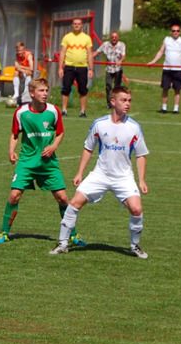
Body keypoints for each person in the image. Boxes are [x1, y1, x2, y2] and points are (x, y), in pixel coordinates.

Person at [50, 86, 149, 258]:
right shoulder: (99, 124)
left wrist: (141, 180)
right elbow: (88, 148)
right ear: (113, 101)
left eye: (129, 101)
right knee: (74, 203)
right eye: (123, 100)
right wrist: (80, 172)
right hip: (100, 175)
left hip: (123, 177)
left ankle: (135, 246)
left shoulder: (134, 127)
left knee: (136, 209)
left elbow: (141, 154)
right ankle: (62, 243)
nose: (127, 104)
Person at [0, 78, 85, 246]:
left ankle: (73, 234)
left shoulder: (53, 111)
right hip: (27, 162)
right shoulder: (21, 113)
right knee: (14, 196)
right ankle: (4, 232)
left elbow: (60, 133)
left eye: (46, 90)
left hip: (48, 163)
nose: (45, 94)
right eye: (41, 91)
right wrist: (11, 151)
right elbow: (15, 134)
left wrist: (53, 146)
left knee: (63, 198)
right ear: (32, 93)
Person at [148, 24, 181, 114]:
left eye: (177, 31)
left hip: (178, 69)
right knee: (165, 88)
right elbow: (161, 51)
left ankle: (176, 109)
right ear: (171, 32)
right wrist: (153, 61)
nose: (175, 32)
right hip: (167, 68)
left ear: (180, 32)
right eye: (173, 31)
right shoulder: (167, 40)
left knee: (177, 89)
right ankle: (164, 108)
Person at [58, 18, 94, 117]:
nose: (77, 25)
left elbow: (90, 54)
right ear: (72, 25)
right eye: (75, 24)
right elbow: (62, 52)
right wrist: (60, 68)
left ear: (82, 25)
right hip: (69, 66)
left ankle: (82, 111)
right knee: (66, 88)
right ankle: (64, 110)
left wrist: (91, 69)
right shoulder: (67, 37)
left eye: (78, 24)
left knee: (83, 89)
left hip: (82, 67)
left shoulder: (87, 38)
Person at [93, 31, 126, 107]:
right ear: (110, 38)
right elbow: (97, 52)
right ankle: (109, 104)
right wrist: (90, 57)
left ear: (118, 38)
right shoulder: (105, 45)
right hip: (109, 69)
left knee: (117, 87)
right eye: (112, 37)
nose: (114, 39)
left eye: (115, 37)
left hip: (118, 69)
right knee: (108, 86)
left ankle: (117, 103)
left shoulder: (122, 45)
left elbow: (123, 55)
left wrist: (120, 61)